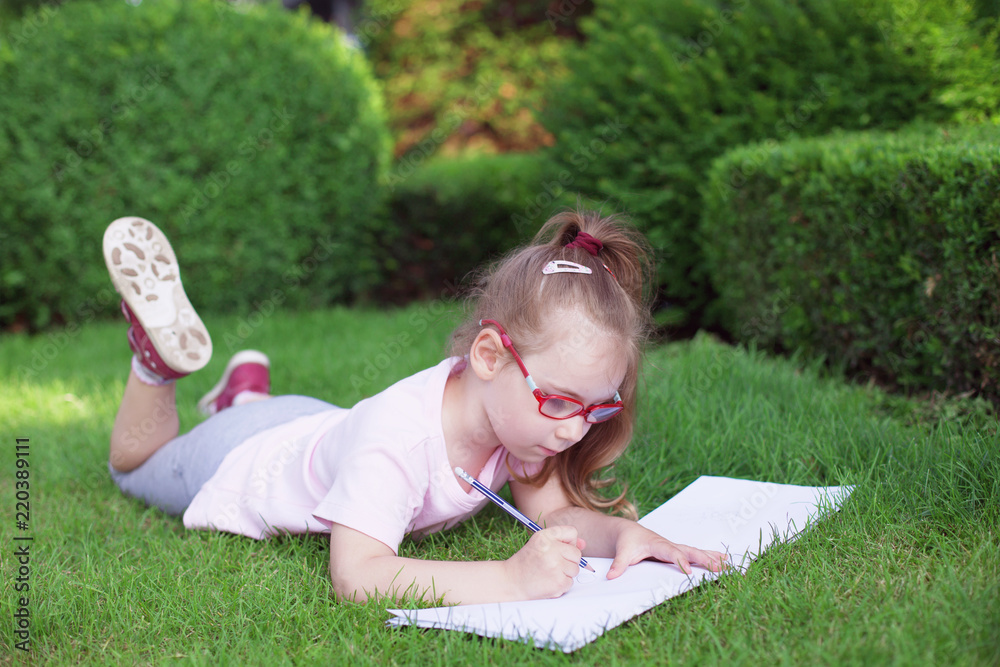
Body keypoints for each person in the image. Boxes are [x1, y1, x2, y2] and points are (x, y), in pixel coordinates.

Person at [102, 210, 728, 605]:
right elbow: (360, 576)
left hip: (309, 422)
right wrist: (509, 580)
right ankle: (155, 365)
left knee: (296, 427)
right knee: (132, 464)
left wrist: (624, 534)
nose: (572, 429)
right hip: (240, 456)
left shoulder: (521, 426)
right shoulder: (397, 443)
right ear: (490, 355)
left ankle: (244, 391)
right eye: (559, 401)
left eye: (594, 410)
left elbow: (558, 512)